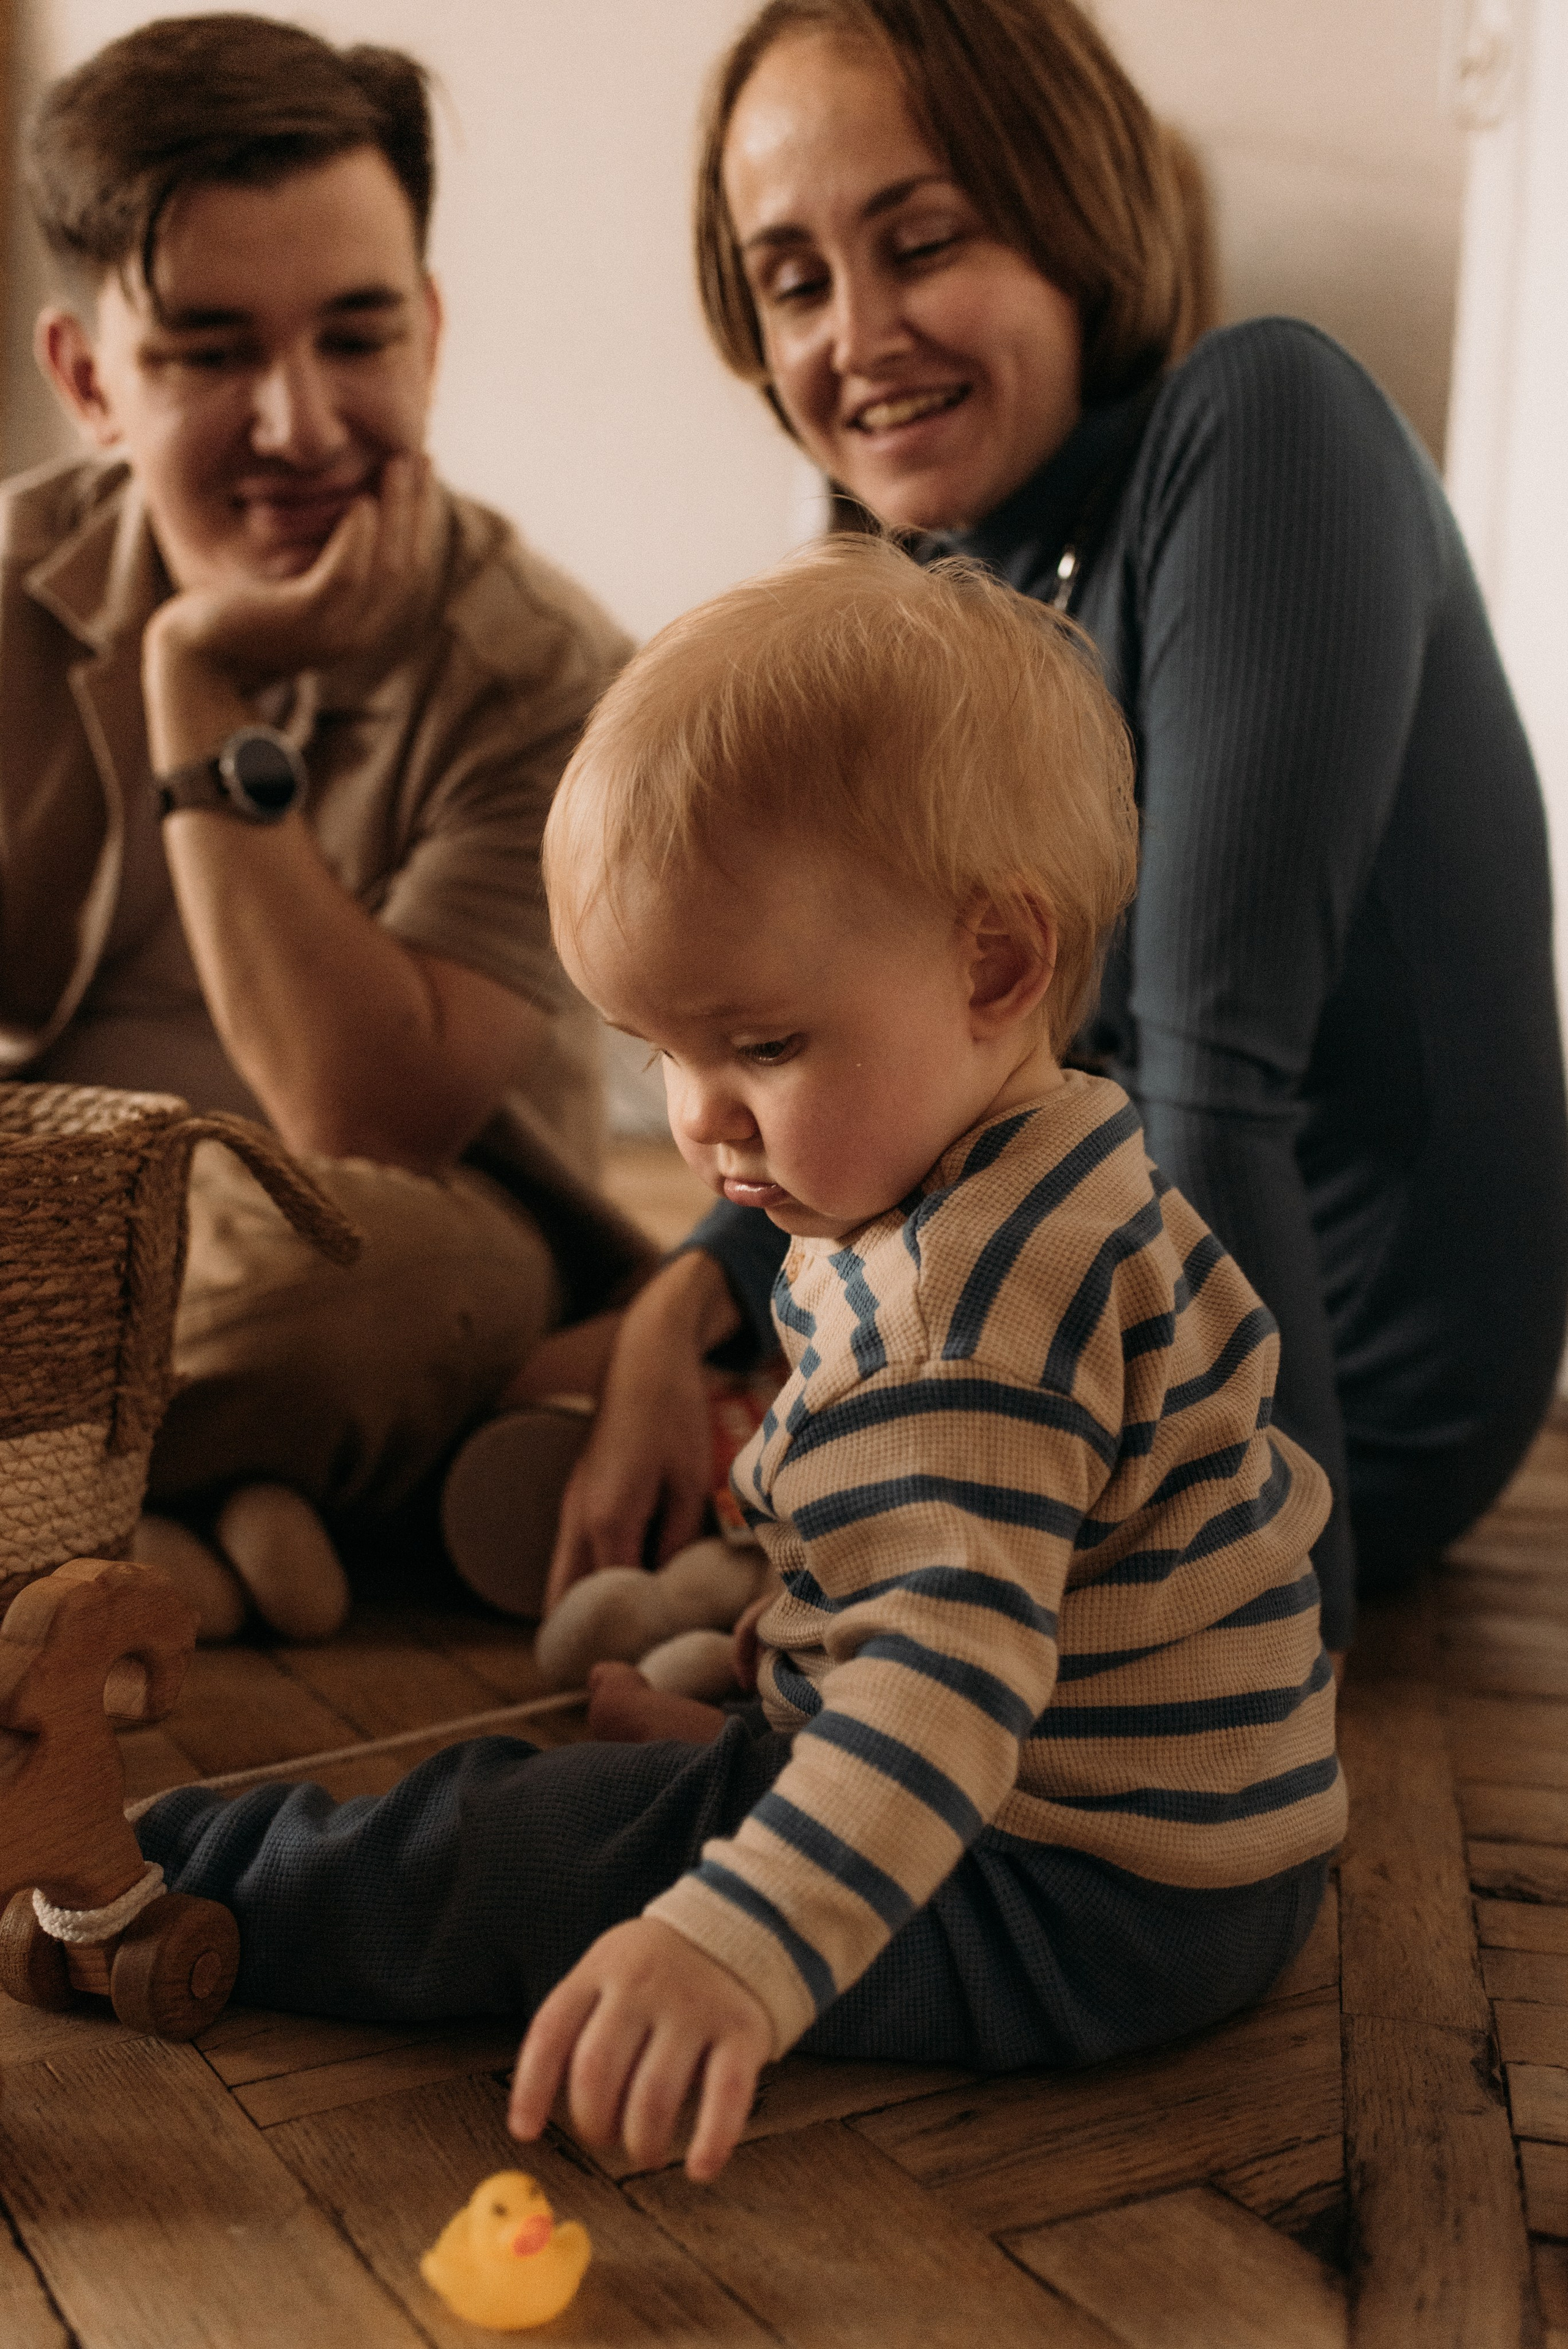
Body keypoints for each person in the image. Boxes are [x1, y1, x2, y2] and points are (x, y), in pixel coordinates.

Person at [139, 539, 1344, 2182]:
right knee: (734, 1655)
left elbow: (949, 1685)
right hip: (1206, 1851)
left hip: (1069, 1898)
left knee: (528, 1848)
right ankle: (760, 1724)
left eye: (761, 1046)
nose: (697, 1120)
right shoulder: (1044, 1155)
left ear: (997, 966)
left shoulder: (959, 1323)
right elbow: (998, 1574)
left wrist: (735, 1939)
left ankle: (180, 1870)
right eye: (660, 1053)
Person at [525, 0, 1568, 1656]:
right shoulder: (953, 586)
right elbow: (888, 1027)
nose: (856, 333)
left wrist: (1268, 1635)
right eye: (793, 280)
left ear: (1073, 214)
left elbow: (1204, 1072)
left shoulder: (1266, 425)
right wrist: (685, 1300)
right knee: (557, 1376)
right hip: (1100, 1310)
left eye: (921, 241)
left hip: (1329, 1401)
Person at [4, 15, 646, 1636]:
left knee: (384, 1295)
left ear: (428, 330)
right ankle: (196, 1515)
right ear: (87, 380)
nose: (299, 425)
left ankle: (94, 1506)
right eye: (211, 354)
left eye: (357, 338)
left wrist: (200, 683)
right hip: (52, 1227)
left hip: (372, 1234)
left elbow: (365, 1113)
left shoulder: (551, 670)